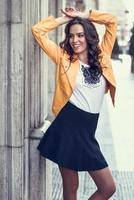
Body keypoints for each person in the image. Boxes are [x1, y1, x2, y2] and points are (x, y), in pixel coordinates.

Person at [32, 7, 117, 200]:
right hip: (68, 125)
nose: (75, 40)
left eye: (80, 35)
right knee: (71, 187)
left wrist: (82, 15)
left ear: (89, 36)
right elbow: (37, 31)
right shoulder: (64, 58)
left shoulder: (103, 56)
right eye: (71, 36)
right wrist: (64, 19)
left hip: (87, 130)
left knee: (108, 187)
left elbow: (111, 21)